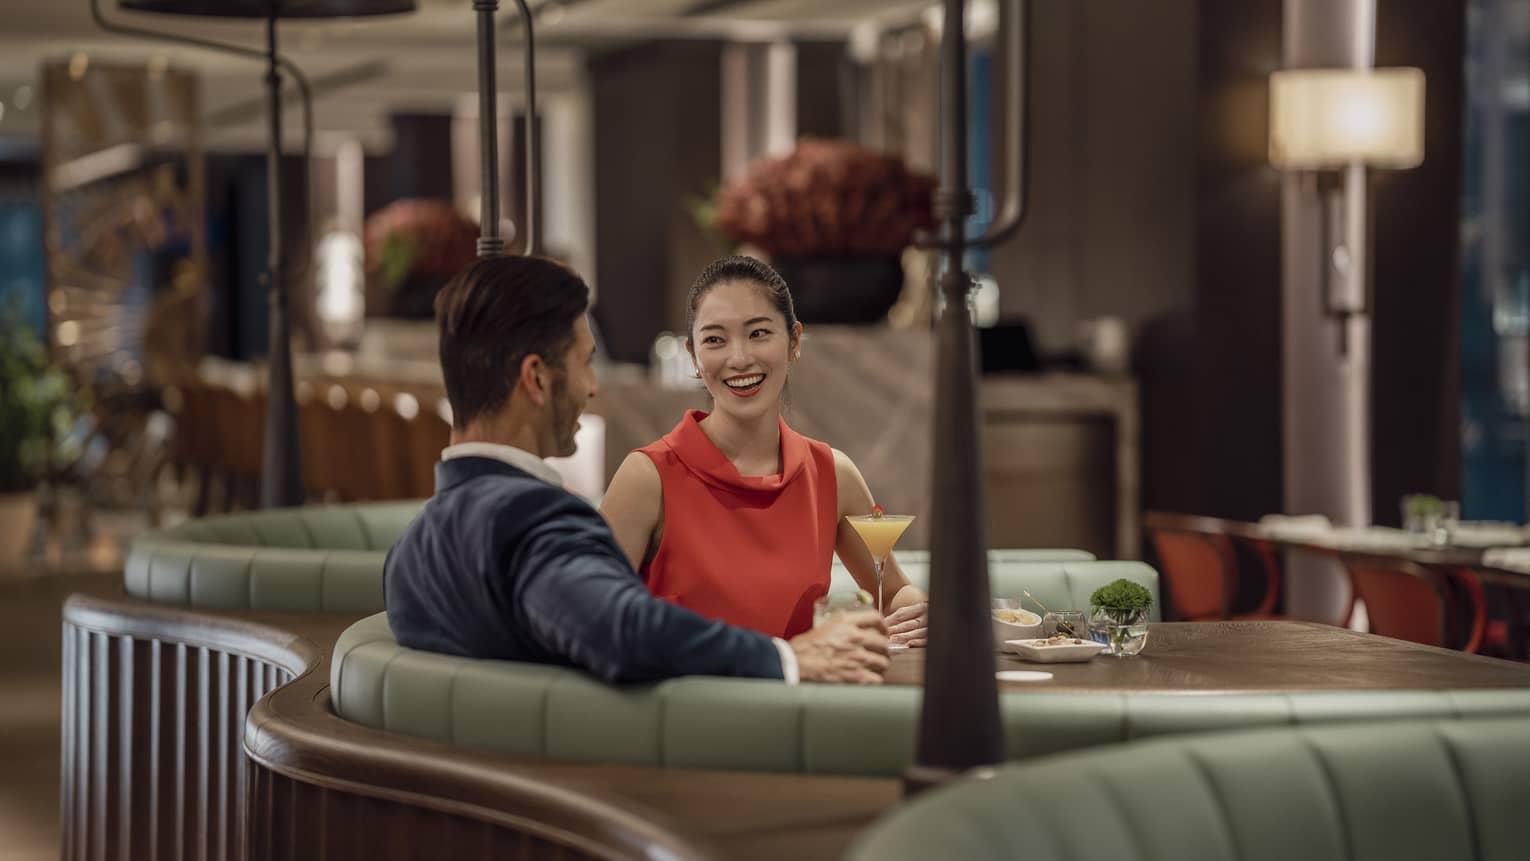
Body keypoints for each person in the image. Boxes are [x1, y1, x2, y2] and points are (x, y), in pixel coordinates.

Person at [384, 255, 889, 685]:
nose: (593, 387)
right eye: (587, 362)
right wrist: (789, 657)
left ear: (792, 341)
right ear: (536, 378)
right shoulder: (538, 522)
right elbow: (621, 629)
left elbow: (891, 582)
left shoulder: (411, 550)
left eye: (759, 333)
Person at [600, 256, 929, 645]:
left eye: (758, 333)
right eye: (715, 340)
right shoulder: (647, 477)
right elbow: (594, 620)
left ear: (793, 342)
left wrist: (920, 613)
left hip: (803, 702)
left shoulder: (833, 474)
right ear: (693, 357)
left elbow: (891, 592)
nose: (739, 358)